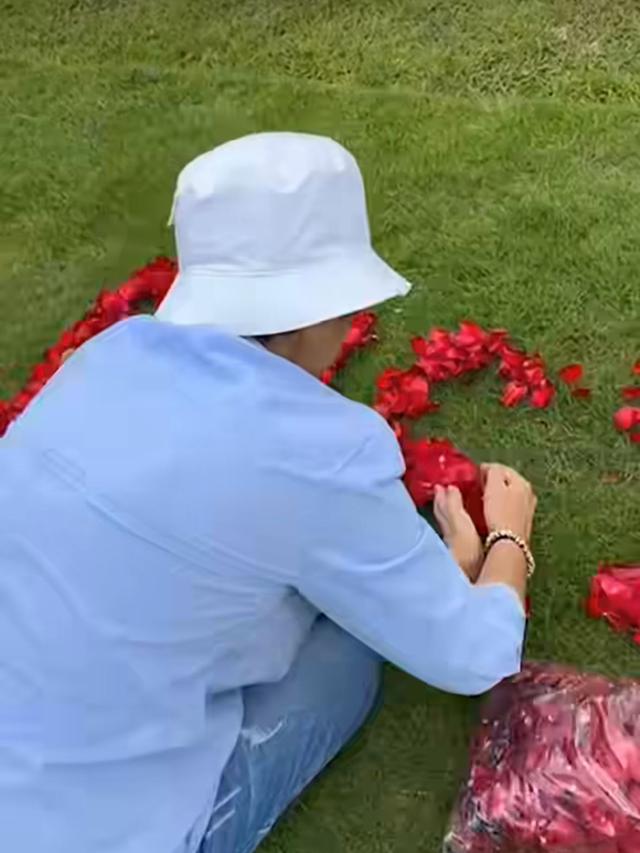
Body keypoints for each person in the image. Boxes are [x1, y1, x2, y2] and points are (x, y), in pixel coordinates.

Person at [0, 132, 536, 853]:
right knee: (348, 659)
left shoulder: (108, 353)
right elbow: (475, 656)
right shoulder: (322, 449)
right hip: (107, 833)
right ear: (320, 311)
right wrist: (507, 537)